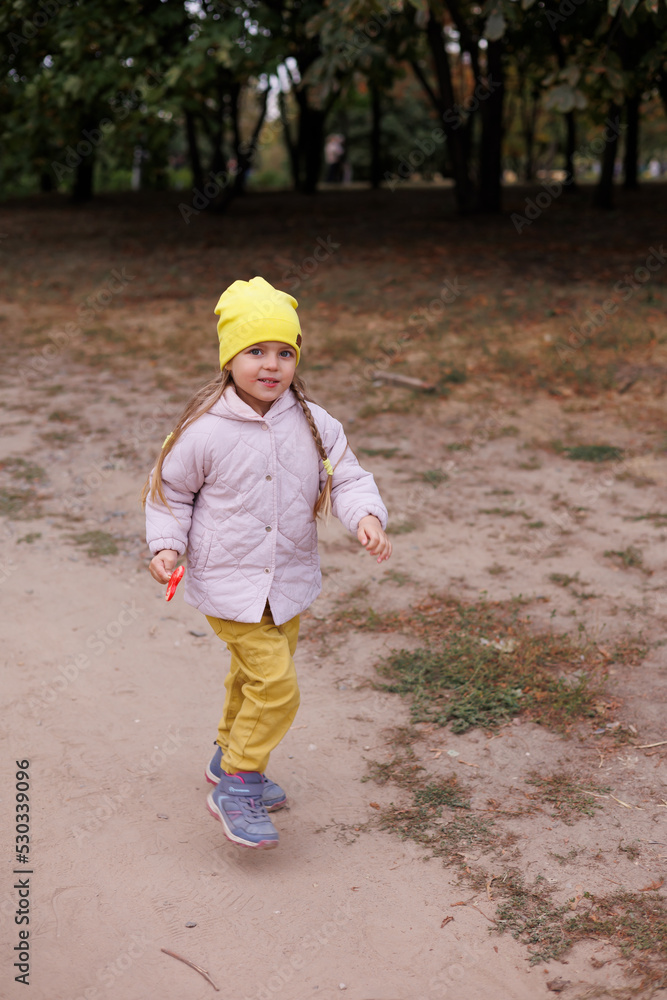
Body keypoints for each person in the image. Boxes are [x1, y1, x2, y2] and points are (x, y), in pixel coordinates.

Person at [143, 276, 391, 851]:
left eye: (285, 352)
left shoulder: (311, 420)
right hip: (227, 582)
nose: (271, 364)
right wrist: (165, 546)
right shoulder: (204, 429)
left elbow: (347, 474)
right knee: (276, 686)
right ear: (230, 358)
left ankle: (227, 751)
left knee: (250, 676)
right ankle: (237, 782)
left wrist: (364, 517)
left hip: (289, 581)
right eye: (255, 351)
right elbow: (170, 494)